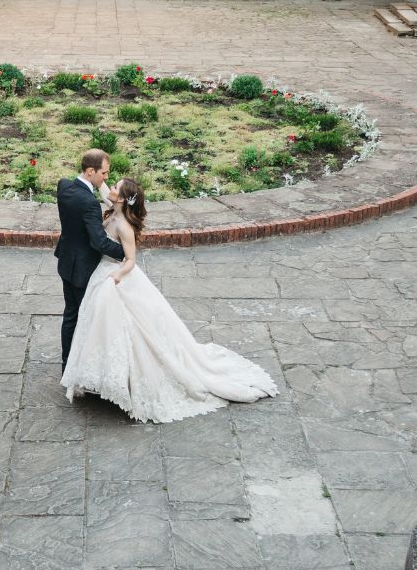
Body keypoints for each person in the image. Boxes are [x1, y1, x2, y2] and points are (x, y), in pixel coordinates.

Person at [61, 178, 279, 423]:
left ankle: (125, 380)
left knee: (127, 329)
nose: (109, 187)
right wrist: (96, 179)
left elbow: (131, 260)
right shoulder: (114, 208)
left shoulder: (123, 225)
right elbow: (104, 190)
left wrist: (117, 276)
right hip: (101, 274)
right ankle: (100, 376)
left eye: (115, 187)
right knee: (99, 326)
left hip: (115, 277)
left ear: (122, 198)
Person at [55, 149, 125, 373]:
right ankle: (83, 367)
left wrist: (108, 194)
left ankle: (68, 364)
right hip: (83, 269)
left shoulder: (64, 186)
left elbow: (99, 189)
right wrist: (125, 251)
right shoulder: (89, 204)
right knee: (87, 317)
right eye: (103, 173)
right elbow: (99, 242)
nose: (106, 178)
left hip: (66, 262)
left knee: (70, 315)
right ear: (90, 171)